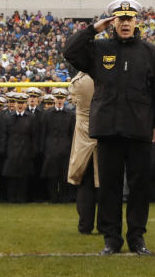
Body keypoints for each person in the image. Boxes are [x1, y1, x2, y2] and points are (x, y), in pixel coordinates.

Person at [64, 0, 155, 256]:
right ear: (113, 22)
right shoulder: (99, 49)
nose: (125, 23)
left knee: (139, 187)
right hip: (109, 130)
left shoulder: (149, 52)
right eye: (120, 19)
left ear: (136, 22)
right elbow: (70, 51)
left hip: (139, 130)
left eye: (129, 19)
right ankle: (111, 239)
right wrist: (93, 29)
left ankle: (136, 238)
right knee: (109, 188)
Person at [67, 71, 100, 235]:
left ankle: (85, 226)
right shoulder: (103, 77)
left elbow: (72, 95)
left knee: (85, 185)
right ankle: (105, 225)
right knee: (105, 186)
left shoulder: (79, 81)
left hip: (83, 139)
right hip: (103, 136)